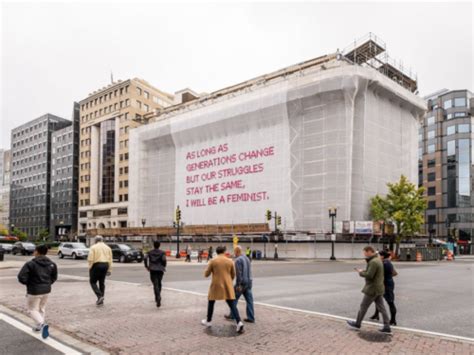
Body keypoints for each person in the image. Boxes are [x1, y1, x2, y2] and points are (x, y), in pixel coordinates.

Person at [347, 246, 391, 334]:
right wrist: (365, 270)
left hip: (372, 288)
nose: (364, 254)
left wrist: (360, 272)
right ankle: (387, 326)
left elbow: (370, 275)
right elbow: (373, 272)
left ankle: (357, 324)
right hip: (378, 287)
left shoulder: (373, 261)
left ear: (370, 251)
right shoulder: (378, 260)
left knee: (363, 306)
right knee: (382, 308)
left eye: (365, 252)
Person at [17, 244, 57, 339]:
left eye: (35, 250)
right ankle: (39, 327)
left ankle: (41, 324)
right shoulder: (52, 264)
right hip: (46, 290)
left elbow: (21, 277)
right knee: (41, 308)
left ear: (37, 252)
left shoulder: (31, 264)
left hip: (34, 290)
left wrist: (29, 283)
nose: (34, 252)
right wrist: (47, 283)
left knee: (32, 309)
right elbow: (54, 277)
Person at [201, 246, 244, 334]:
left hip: (216, 285)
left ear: (216, 252)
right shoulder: (230, 261)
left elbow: (206, 274)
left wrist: (207, 269)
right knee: (232, 304)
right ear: (224, 251)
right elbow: (233, 275)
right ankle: (239, 322)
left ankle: (208, 321)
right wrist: (228, 281)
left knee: (211, 301)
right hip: (227, 285)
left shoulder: (213, 261)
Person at [225, 245, 255, 323]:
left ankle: (232, 315)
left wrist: (238, 285)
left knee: (233, 299)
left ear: (237, 251)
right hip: (249, 282)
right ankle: (251, 317)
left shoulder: (238, 260)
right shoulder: (247, 258)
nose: (234, 253)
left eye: (234, 251)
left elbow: (239, 274)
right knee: (249, 300)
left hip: (242, 283)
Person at [370, 250, 397, 325]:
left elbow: (380, 275)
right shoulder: (388, 262)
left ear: (382, 256)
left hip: (386, 285)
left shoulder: (383, 264)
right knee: (378, 299)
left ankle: (393, 320)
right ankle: (376, 314)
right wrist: (389, 277)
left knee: (390, 302)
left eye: (378, 255)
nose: (377, 256)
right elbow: (394, 273)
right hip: (388, 283)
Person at [87, 236, 113, 306]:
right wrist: (109, 269)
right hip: (105, 265)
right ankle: (101, 299)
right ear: (102, 240)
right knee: (102, 282)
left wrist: (90, 267)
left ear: (95, 240)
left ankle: (99, 296)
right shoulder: (108, 247)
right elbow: (110, 259)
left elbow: (90, 258)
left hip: (97, 265)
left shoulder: (93, 247)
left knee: (92, 281)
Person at [144, 241, 167, 307]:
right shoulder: (162, 252)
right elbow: (164, 260)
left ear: (154, 245)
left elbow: (145, 258)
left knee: (155, 284)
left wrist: (146, 266)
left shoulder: (150, 252)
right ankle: (158, 295)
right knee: (159, 283)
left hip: (153, 269)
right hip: (160, 269)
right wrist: (163, 266)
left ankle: (157, 297)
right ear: (159, 245)